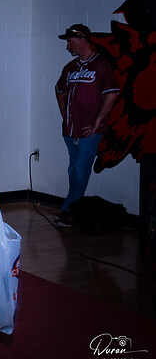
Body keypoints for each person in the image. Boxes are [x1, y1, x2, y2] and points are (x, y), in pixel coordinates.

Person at [55, 24, 119, 227]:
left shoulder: (101, 65)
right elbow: (59, 90)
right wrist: (64, 113)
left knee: (80, 171)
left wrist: (98, 120)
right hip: (70, 130)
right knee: (74, 171)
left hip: (88, 131)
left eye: (70, 41)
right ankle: (73, 210)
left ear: (82, 39)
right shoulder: (70, 68)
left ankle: (70, 211)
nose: (68, 46)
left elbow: (112, 94)